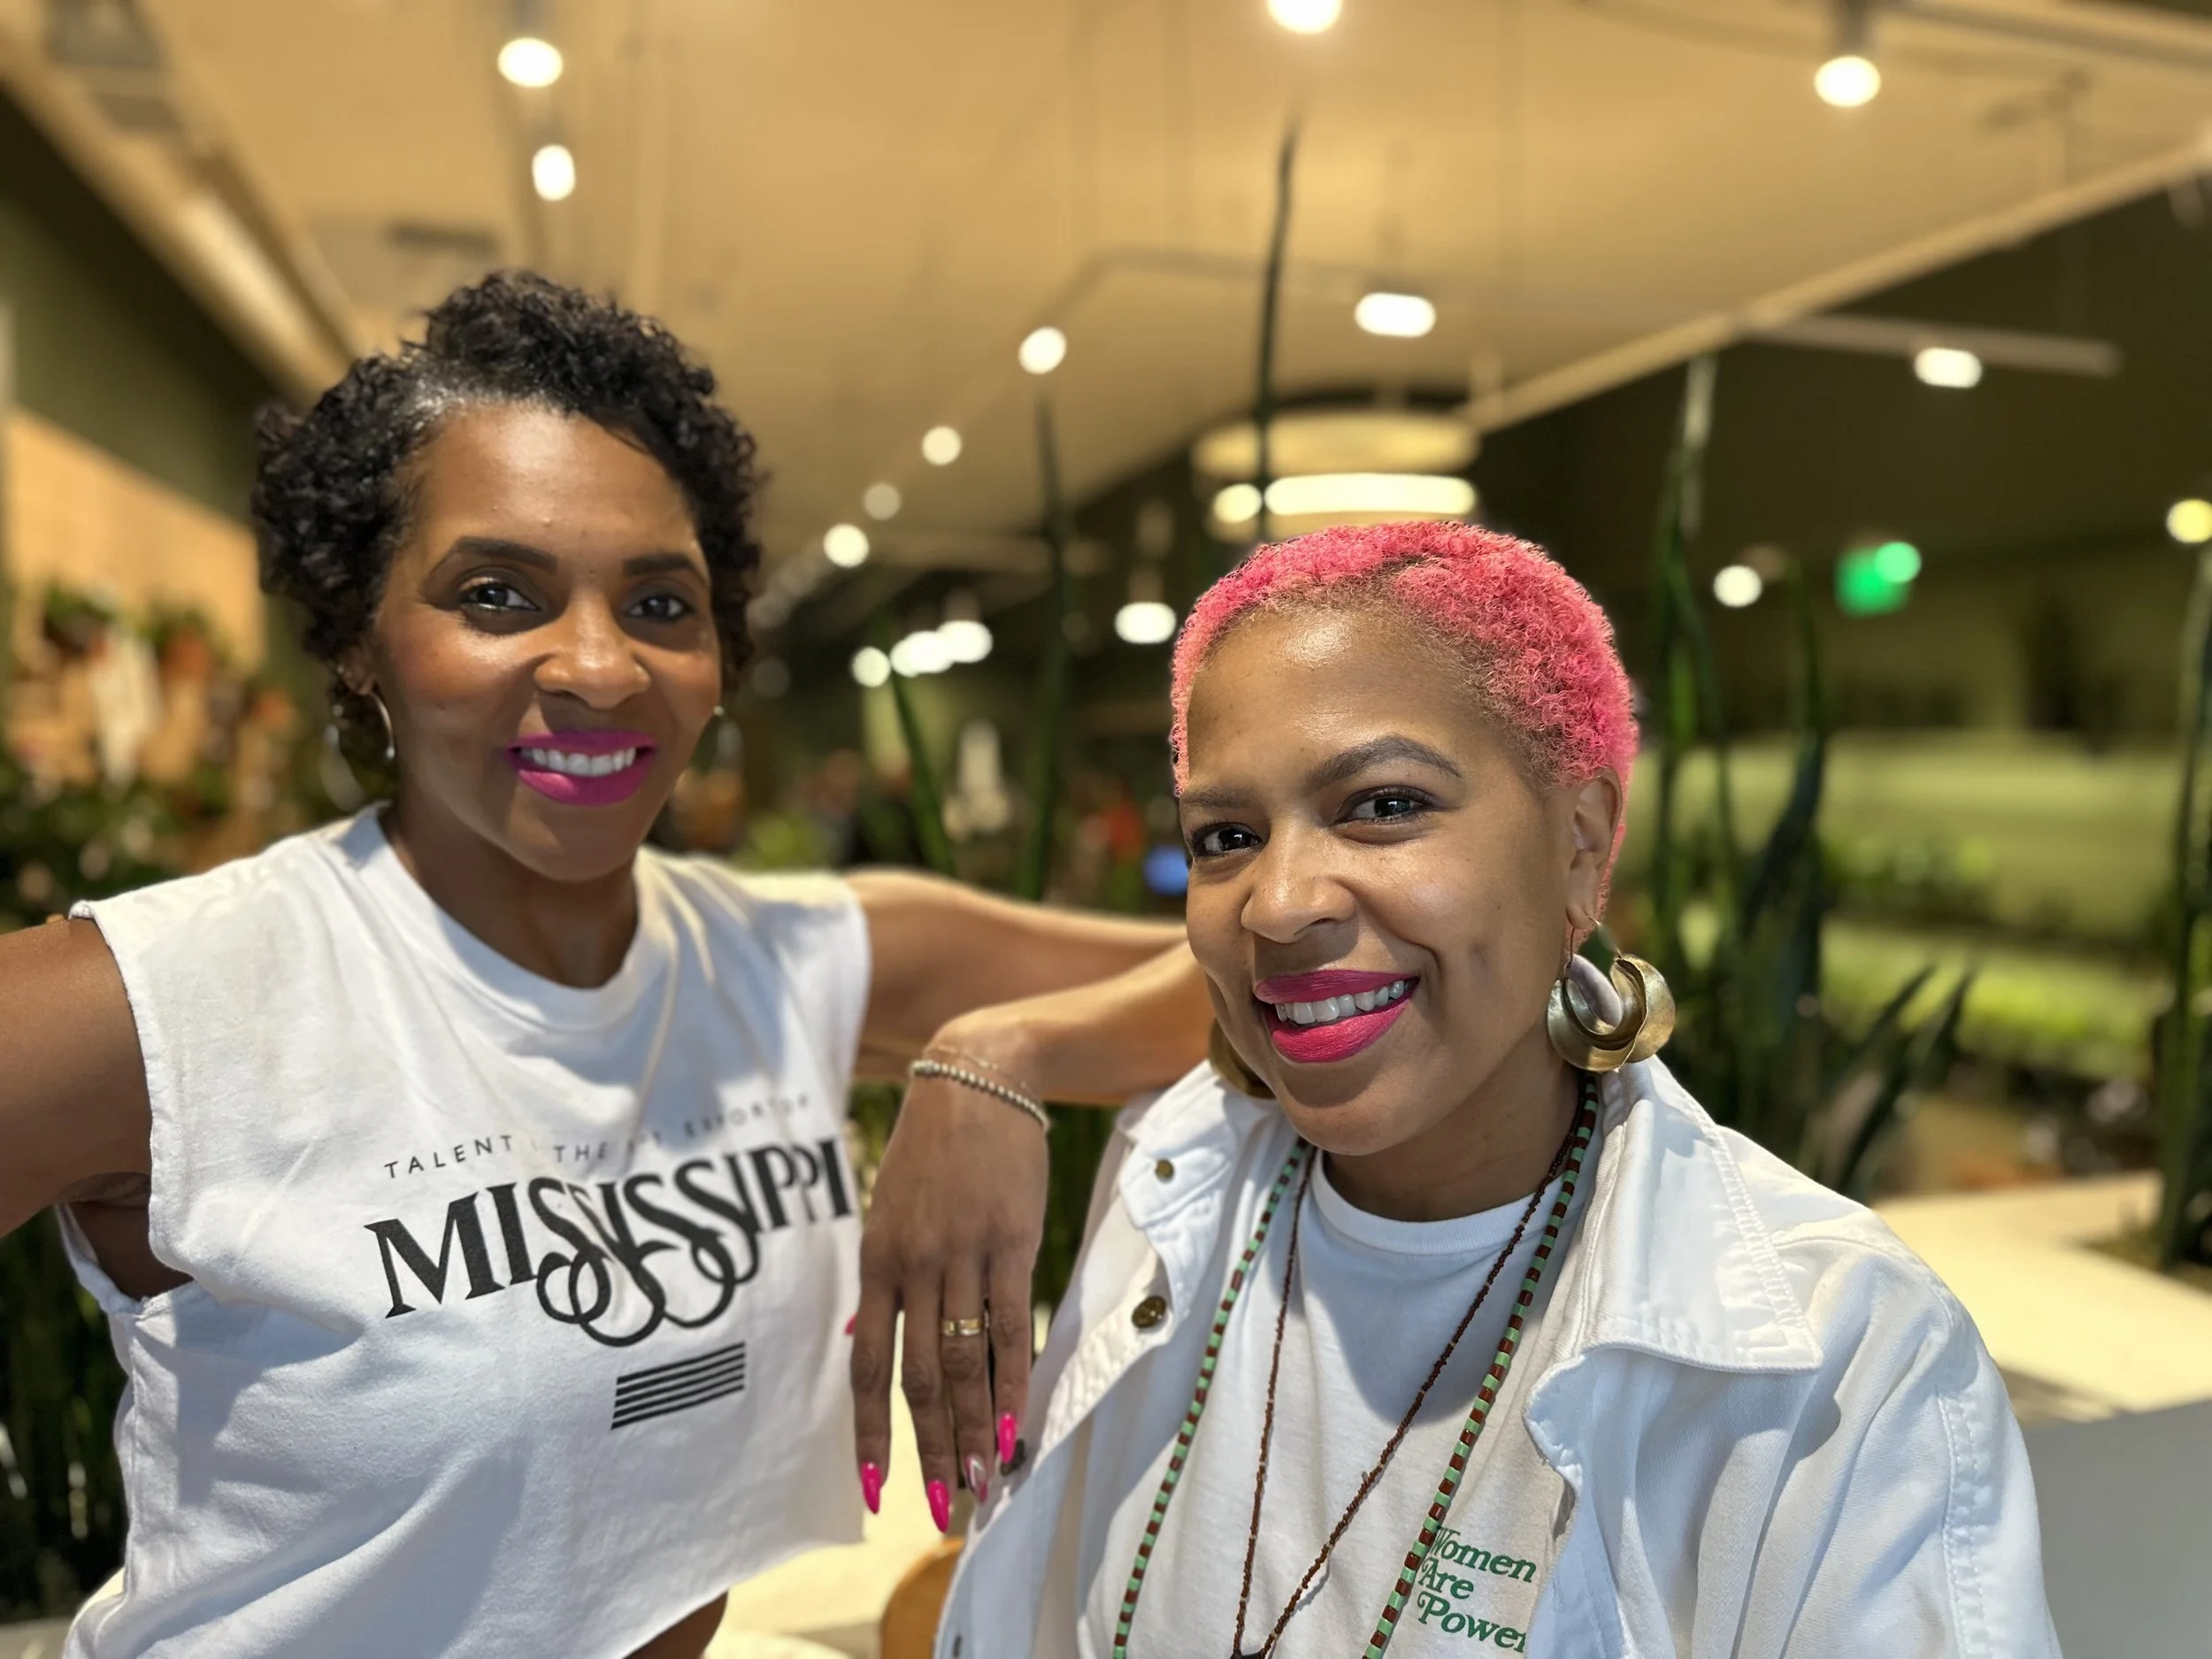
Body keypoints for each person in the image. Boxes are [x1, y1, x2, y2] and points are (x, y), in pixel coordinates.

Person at [0, 273, 1210, 1659]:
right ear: (359, 639)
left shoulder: (786, 959)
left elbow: (1243, 981)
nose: (597, 664)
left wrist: (999, 1055)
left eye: (659, 601)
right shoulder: (176, 994)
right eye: (496, 591)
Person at [930, 521, 2059, 1657]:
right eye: (1225, 834)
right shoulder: (1170, 1188)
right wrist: (986, 1061)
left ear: (1579, 844)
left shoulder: (1837, 1351)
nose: (1276, 904)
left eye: (1382, 806)